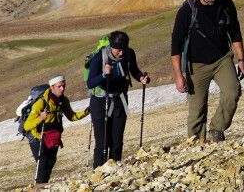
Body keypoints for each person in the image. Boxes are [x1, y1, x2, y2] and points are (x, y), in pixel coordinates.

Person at [171, 0, 244, 142]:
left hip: (222, 59)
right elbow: (175, 45)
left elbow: (235, 33)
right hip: (195, 65)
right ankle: (196, 145)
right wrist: (178, 75)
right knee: (197, 109)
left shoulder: (226, 5)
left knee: (232, 91)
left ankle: (217, 128)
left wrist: (241, 59)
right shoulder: (187, 10)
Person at [86, 30, 150, 167]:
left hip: (120, 99)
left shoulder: (129, 53)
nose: (121, 53)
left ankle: (115, 171)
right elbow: (90, 83)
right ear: (111, 46)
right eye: (118, 50)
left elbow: (133, 70)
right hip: (101, 101)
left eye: (124, 49)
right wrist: (103, 75)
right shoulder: (100, 56)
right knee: (103, 141)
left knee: (117, 140)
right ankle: (98, 172)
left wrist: (140, 77)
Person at [22, 75, 89, 184]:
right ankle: (39, 187)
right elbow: (27, 126)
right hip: (37, 137)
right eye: (59, 86)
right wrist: (40, 118)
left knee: (51, 162)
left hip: (53, 137)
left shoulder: (63, 100)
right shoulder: (41, 102)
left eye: (63, 86)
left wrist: (87, 112)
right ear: (52, 87)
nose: (62, 88)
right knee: (43, 163)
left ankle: (43, 185)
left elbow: (71, 116)